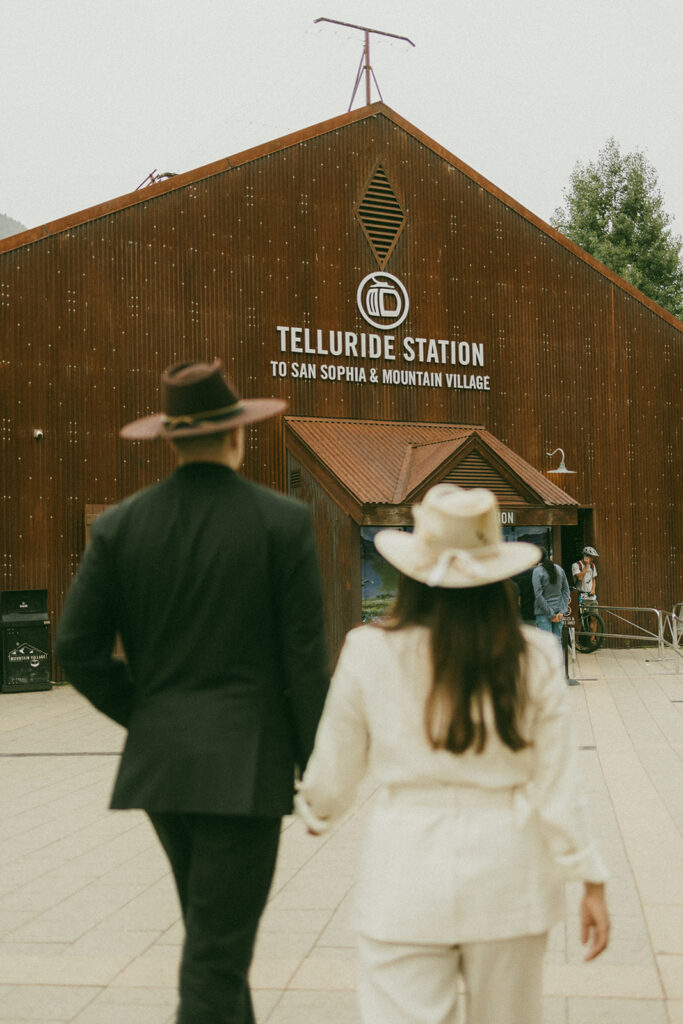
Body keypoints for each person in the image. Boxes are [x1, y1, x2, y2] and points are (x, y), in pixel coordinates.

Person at [55, 360, 330, 1024]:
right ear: (238, 435)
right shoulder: (282, 523)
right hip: (246, 769)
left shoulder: (119, 528)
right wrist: (316, 765)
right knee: (215, 956)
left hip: (165, 768)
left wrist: (147, 714)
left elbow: (74, 651)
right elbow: (304, 662)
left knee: (214, 938)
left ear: (172, 440)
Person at [295, 485, 609, 1024]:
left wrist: (318, 810)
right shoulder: (532, 655)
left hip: (403, 875)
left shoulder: (368, 648)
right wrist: (590, 877)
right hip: (510, 879)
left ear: (413, 570)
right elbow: (557, 782)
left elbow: (334, 770)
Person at [532, 548, 570, 639]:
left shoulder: (537, 571)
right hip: (558, 613)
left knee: (547, 645)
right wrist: (561, 611)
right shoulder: (559, 569)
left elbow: (538, 595)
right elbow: (566, 591)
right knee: (557, 642)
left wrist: (550, 614)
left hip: (543, 613)